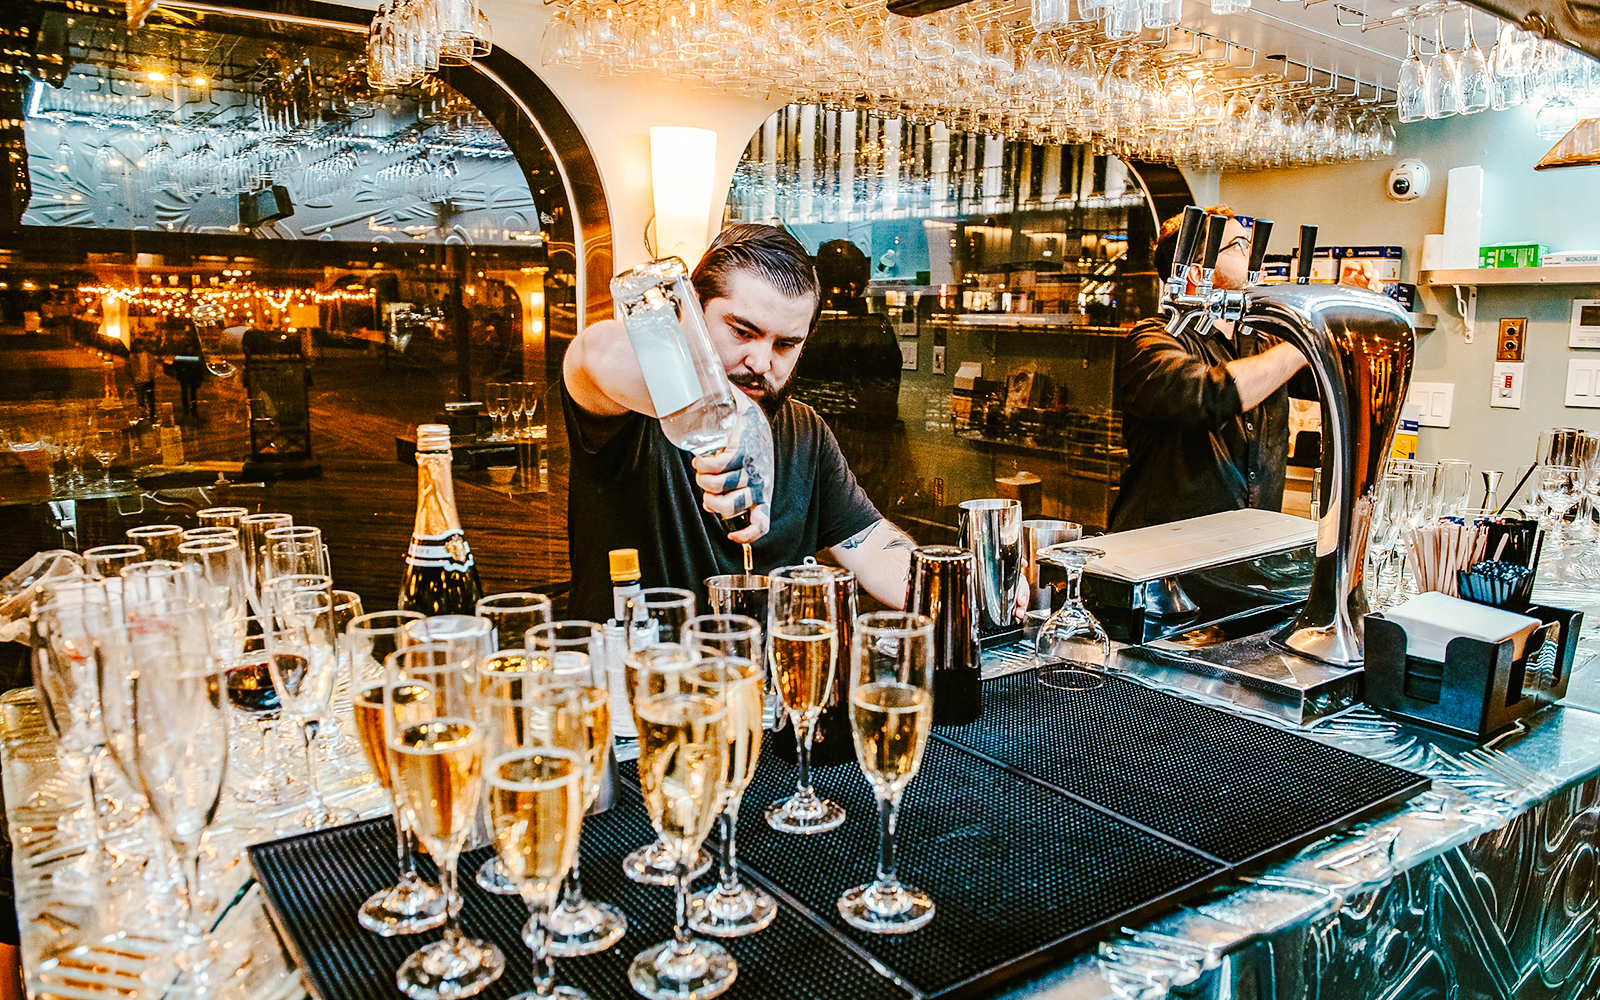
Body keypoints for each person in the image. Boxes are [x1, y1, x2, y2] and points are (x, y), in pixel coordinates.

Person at [561, 223, 917, 621]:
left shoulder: (805, 432)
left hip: (755, 680)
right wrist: (733, 413)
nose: (762, 363)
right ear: (691, 311)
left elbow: (868, 543)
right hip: (634, 677)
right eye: (742, 332)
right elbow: (594, 352)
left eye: (785, 345)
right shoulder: (634, 412)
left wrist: (944, 591)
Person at [1110, 206, 1313, 532]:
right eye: (1237, 246)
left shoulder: (1265, 343)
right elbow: (1208, 396)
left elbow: (1335, 380)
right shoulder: (1151, 340)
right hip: (1163, 563)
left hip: (1246, 558)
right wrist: (1304, 338)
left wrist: (1349, 306)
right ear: (1194, 271)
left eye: (1249, 245)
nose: (1251, 258)